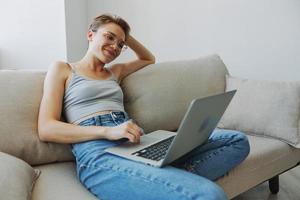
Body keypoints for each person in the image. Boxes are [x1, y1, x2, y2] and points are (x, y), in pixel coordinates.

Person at [38, 13, 250, 200]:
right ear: (90, 34)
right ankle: (165, 178)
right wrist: (108, 131)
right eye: (109, 37)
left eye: (121, 44)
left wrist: (123, 33)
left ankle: (165, 176)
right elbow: (46, 128)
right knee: (210, 194)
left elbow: (148, 58)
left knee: (236, 141)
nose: (115, 47)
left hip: (138, 142)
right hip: (99, 151)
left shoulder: (115, 72)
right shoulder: (63, 69)